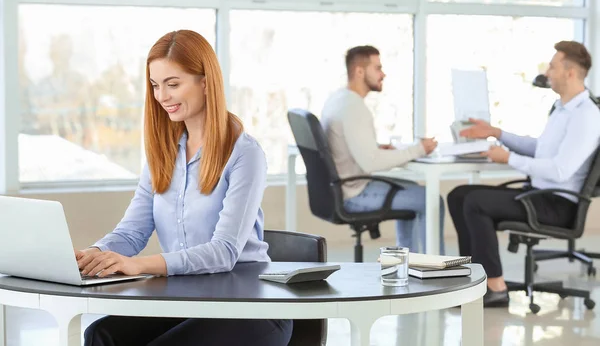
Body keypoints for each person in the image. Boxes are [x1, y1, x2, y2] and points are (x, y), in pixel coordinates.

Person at [77, 30, 293, 346]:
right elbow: (132, 233)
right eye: (155, 85)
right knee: (101, 334)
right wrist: (94, 256)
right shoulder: (163, 151)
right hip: (186, 298)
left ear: (205, 82)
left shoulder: (245, 153)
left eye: (173, 84)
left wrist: (137, 265)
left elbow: (224, 252)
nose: (162, 96)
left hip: (250, 308)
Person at [448, 40, 600, 308]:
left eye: (552, 67)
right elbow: (540, 149)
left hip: (558, 203)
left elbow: (560, 170)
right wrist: (498, 133)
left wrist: (508, 158)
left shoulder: (586, 115)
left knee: (476, 202)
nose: (547, 72)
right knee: (459, 195)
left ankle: (494, 287)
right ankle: (471, 280)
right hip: (539, 195)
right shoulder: (562, 110)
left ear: (570, 72)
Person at [321, 45, 445, 254]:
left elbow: (350, 147)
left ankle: (409, 265)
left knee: (414, 190)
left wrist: (377, 148)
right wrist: (419, 149)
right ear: (360, 71)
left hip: (341, 189)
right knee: (431, 199)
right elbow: (371, 163)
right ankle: (436, 269)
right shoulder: (353, 107)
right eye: (377, 68)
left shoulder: (338, 100)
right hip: (355, 193)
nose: (383, 74)